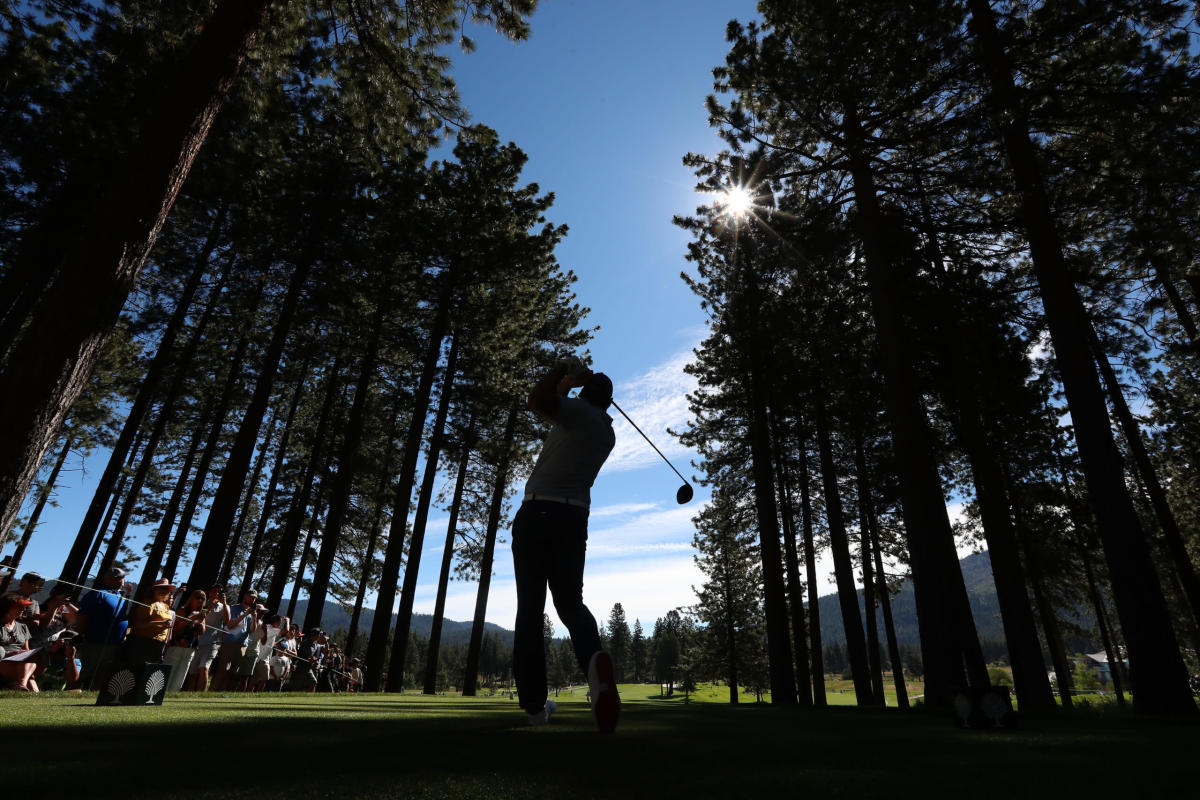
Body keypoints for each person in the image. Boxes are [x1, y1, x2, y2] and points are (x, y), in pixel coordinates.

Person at [512, 356, 620, 732]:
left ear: (584, 394)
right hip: (575, 520)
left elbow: (538, 398)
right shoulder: (606, 431)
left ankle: (535, 708)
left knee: (530, 609)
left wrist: (562, 368)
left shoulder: (575, 413)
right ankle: (595, 666)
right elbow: (556, 399)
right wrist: (577, 381)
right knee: (571, 604)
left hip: (538, 513)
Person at [74, 566, 131, 690]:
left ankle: (92, 697)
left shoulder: (120, 596)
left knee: (103, 674)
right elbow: (83, 616)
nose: (124, 580)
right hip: (96, 642)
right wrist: (82, 635)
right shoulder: (97, 594)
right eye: (122, 578)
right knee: (87, 673)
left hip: (115, 643)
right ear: (112, 579)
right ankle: (76, 695)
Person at [210, 589, 258, 691]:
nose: (252, 599)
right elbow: (230, 624)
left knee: (233, 673)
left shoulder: (251, 612)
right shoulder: (235, 608)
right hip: (229, 643)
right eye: (251, 597)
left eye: (254, 598)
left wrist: (254, 618)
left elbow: (252, 630)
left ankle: (222, 693)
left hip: (242, 645)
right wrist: (245, 614)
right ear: (245, 596)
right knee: (222, 670)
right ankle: (212, 691)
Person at [186, 585, 230, 691]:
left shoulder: (224, 606)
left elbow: (228, 621)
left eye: (219, 592)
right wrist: (210, 606)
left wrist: (224, 603)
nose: (217, 594)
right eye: (215, 591)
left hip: (213, 643)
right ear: (210, 592)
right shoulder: (202, 603)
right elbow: (200, 617)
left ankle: (200, 695)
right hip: (198, 641)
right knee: (192, 671)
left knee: (204, 668)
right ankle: (188, 693)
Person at [122, 578, 175, 663]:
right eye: (161, 588)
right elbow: (138, 624)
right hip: (143, 642)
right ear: (154, 590)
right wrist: (161, 623)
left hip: (158, 644)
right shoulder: (148, 604)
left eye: (166, 589)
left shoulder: (165, 606)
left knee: (148, 672)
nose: (164, 591)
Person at [164, 589, 206, 692]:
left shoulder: (201, 614)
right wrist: (192, 619)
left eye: (202, 598)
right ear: (191, 599)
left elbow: (202, 632)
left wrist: (200, 622)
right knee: (170, 669)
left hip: (190, 647)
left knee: (182, 672)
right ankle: (162, 692)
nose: (200, 600)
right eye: (197, 597)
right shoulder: (182, 610)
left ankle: (173, 694)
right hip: (177, 645)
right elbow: (176, 629)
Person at [0, 595, 40, 691]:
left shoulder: (23, 627)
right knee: (29, 666)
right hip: (3, 660)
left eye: (24, 607)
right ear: (7, 608)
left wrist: (23, 653)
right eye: (19, 607)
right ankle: (21, 684)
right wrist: (10, 653)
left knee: (30, 659)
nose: (23, 609)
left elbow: (26, 649)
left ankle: (21, 685)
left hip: (21, 661)